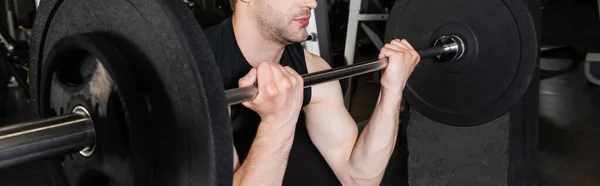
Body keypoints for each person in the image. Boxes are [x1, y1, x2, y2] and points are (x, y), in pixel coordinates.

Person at [203, 0, 420, 185]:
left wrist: (392, 91)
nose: (313, 3)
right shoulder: (195, 77)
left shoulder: (312, 69)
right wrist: (277, 122)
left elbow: (359, 178)